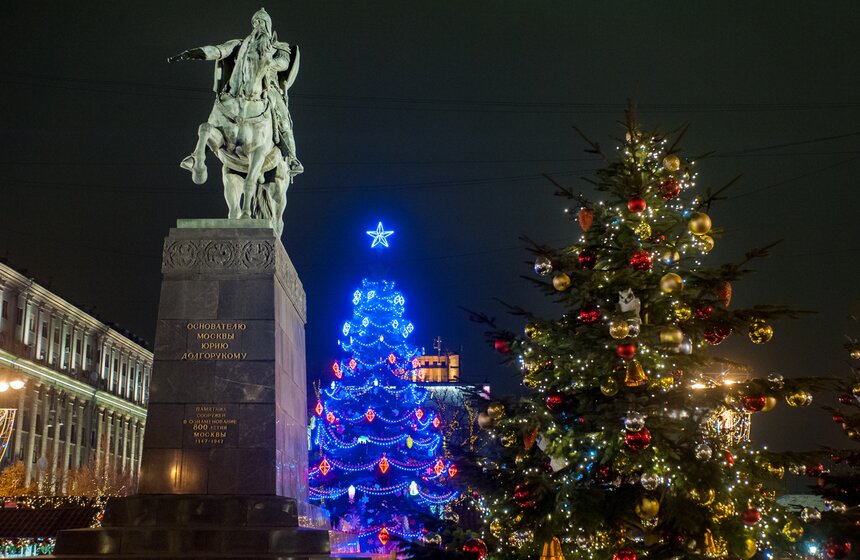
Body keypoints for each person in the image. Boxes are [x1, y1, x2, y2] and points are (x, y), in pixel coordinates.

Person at [168, 8, 302, 175]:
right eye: (255, 22)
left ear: (268, 24)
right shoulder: (240, 44)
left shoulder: (279, 46)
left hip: (268, 86)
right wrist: (193, 53)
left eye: (261, 22)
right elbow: (218, 50)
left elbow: (283, 63)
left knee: (282, 114)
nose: (257, 25)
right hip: (239, 85)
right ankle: (197, 155)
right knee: (220, 107)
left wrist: (265, 62)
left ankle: (291, 158)